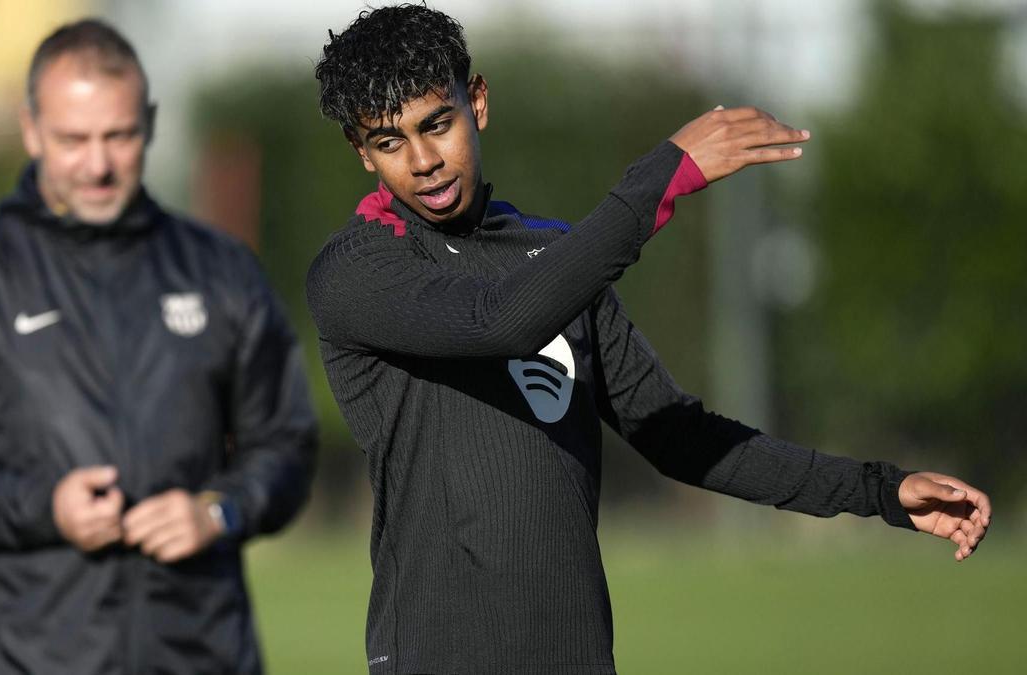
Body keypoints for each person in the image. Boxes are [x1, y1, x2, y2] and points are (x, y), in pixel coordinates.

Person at [307, 5, 991, 674]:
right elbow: (501, 320)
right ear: (360, 151)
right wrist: (660, 177)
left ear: (477, 102)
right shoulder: (358, 270)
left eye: (438, 124)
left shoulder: (551, 256)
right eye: (390, 141)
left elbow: (678, 435)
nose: (423, 160)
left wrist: (879, 491)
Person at [0, 18, 316, 674]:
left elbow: (286, 445)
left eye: (120, 135)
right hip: (23, 656)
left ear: (151, 123)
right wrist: (44, 507)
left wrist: (218, 511)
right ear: (31, 130)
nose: (99, 164)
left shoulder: (221, 271)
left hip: (200, 652)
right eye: (73, 139)